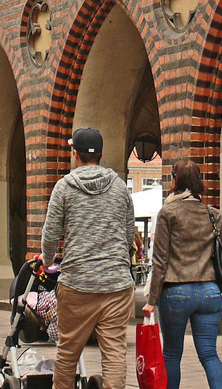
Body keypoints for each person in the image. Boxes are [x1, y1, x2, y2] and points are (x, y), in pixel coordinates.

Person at [41, 127, 135, 389]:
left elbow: (50, 233)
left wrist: (47, 260)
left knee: (68, 351)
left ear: (75, 155)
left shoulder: (64, 187)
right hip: (117, 284)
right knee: (115, 351)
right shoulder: (120, 188)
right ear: (102, 154)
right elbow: (129, 235)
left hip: (77, 284)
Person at [141, 159, 222, 389]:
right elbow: (221, 256)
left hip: (176, 291)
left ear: (174, 180)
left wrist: (151, 301)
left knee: (171, 354)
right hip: (210, 291)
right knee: (209, 354)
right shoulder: (214, 215)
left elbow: (160, 261)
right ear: (200, 181)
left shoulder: (168, 213)